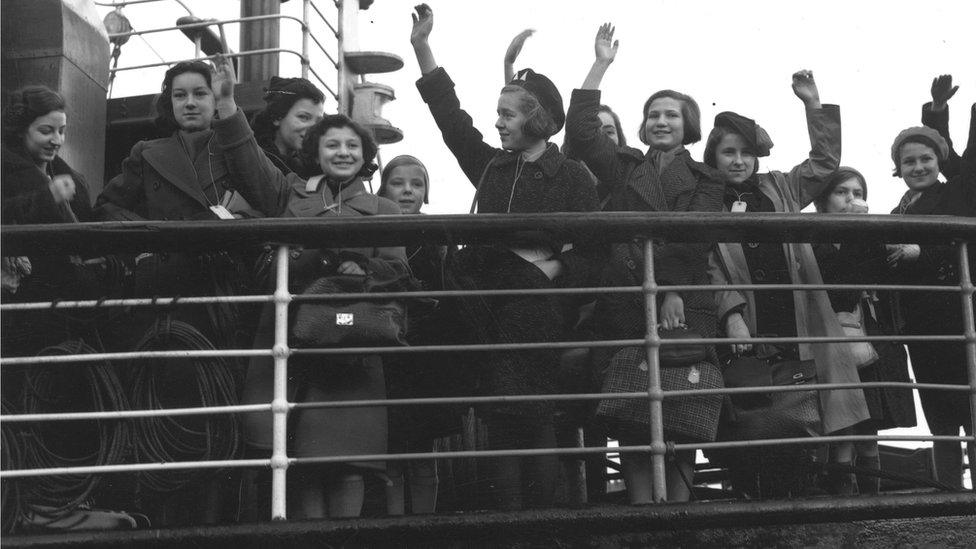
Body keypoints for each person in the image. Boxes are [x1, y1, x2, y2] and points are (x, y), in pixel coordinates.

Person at [201, 54, 410, 518]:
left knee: (346, 459)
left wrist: (364, 273)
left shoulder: (384, 210)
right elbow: (250, 163)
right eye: (332, 144)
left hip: (350, 343)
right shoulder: (289, 192)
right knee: (302, 464)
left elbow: (398, 271)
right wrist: (229, 104)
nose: (342, 152)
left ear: (365, 155)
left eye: (352, 146)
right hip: (292, 341)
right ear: (316, 151)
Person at [411, 4, 600, 511]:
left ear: (536, 118)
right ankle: (510, 521)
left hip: (536, 304)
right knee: (499, 413)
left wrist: (555, 270)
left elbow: (596, 251)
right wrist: (423, 49)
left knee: (529, 414)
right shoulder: (492, 167)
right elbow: (452, 122)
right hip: (489, 300)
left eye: (508, 114)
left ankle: (531, 522)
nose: (498, 124)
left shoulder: (573, 177)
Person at [564, 23, 725, 503]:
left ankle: (677, 514)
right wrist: (600, 65)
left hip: (683, 302)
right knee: (634, 416)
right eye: (653, 114)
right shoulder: (624, 166)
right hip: (628, 302)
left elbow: (695, 235)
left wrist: (670, 287)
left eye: (671, 115)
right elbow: (581, 131)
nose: (661, 122)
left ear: (687, 124)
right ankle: (641, 515)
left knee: (680, 413)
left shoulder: (707, 177)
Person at [704, 70, 871, 497]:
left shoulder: (780, 186)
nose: (738, 160)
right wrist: (732, 315)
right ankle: (757, 496)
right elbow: (711, 267)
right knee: (760, 406)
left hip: (798, 315)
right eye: (728, 152)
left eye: (745, 152)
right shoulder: (705, 201)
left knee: (814, 397)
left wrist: (812, 105)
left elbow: (824, 163)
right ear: (714, 157)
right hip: (749, 320)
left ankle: (821, 491)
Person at [886, 79, 975, 488]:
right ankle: (949, 499)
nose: (919, 167)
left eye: (927, 159)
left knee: (972, 412)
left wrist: (937, 114)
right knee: (939, 416)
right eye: (909, 162)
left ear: (940, 163)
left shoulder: (956, 194)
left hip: (960, 321)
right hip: (921, 329)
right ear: (898, 169)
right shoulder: (896, 210)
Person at [812, 167, 917, 495]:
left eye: (858, 193)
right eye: (842, 192)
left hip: (867, 336)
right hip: (831, 336)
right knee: (844, 419)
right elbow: (841, 285)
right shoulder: (814, 238)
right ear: (824, 200)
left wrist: (867, 232)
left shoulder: (872, 234)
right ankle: (847, 493)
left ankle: (869, 497)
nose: (851, 199)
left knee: (869, 421)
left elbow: (878, 277)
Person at [376, 155, 449, 515]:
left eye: (416, 184)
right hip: (384, 348)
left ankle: (424, 525)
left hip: (423, 353)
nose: (407, 191)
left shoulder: (437, 236)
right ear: (383, 187)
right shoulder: (372, 227)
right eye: (398, 183)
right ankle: (394, 527)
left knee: (421, 448)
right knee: (390, 446)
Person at [249, 76, 325, 178]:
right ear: (277, 117)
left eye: (318, 122)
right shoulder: (253, 158)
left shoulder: (316, 166)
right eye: (303, 117)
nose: (313, 128)